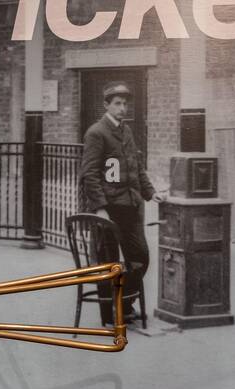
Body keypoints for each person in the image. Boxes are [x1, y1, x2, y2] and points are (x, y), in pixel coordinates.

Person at [79, 82, 164, 323]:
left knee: (141, 258)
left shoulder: (127, 131)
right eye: (117, 103)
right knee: (108, 264)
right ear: (106, 105)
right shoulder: (97, 132)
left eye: (126, 103)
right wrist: (100, 209)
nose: (123, 108)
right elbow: (90, 174)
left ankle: (125, 302)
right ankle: (110, 315)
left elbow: (136, 167)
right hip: (109, 210)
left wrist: (150, 193)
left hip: (130, 208)